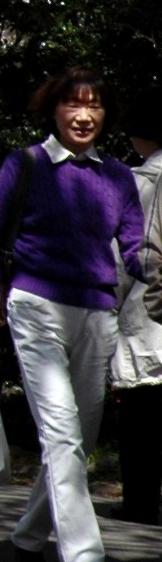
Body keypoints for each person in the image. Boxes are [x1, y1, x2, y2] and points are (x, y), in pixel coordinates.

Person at [0, 67, 147, 562]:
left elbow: (135, 250)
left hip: (97, 314)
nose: (84, 115)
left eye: (94, 106)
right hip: (35, 306)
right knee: (63, 435)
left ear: (106, 116)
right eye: (73, 104)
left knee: (77, 442)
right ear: (54, 109)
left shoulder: (119, 178)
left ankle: (28, 540)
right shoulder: (25, 165)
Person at [110, 131, 162, 526]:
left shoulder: (143, 182)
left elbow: (131, 255)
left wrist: (106, 304)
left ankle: (140, 502)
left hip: (147, 315)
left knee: (141, 415)